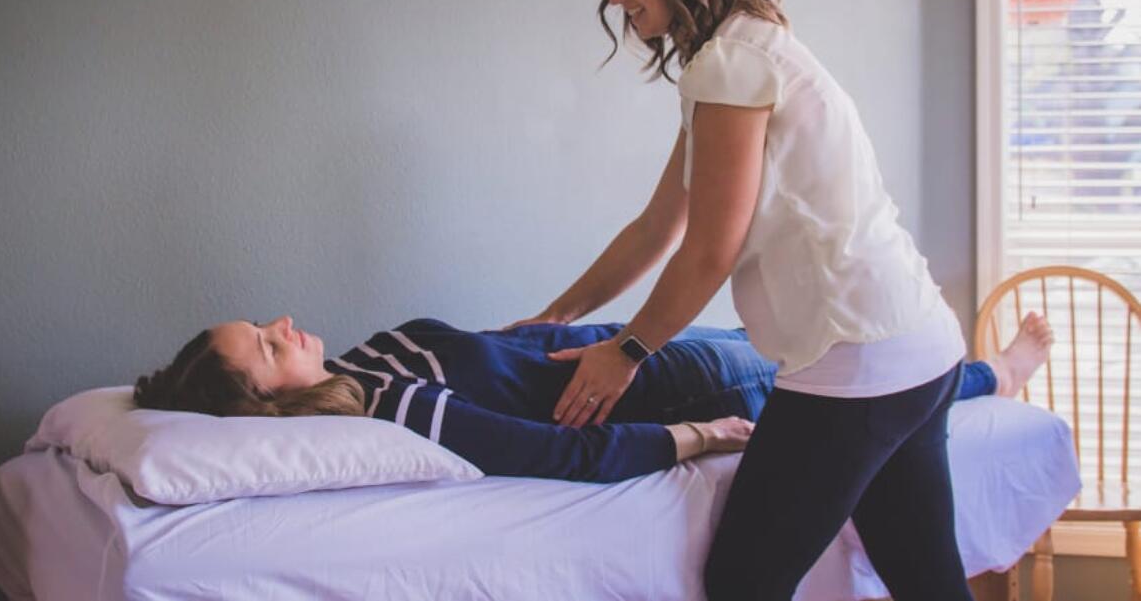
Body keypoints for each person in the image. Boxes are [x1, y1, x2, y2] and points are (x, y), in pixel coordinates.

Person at [499, 0, 1041, 600]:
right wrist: (556, 315)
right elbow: (658, 225)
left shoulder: (730, 64)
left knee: (743, 583)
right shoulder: (738, 54)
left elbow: (709, 250)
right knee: (927, 582)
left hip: (856, 364)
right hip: (916, 345)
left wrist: (627, 351)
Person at [132, 312, 1052, 485]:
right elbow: (563, 453)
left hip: (632, 345)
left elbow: (491, 356)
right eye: (263, 343)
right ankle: (991, 376)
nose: (282, 322)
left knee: (856, 355)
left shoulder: (367, 362)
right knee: (869, 384)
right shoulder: (396, 412)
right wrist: (694, 437)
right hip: (676, 386)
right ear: (264, 403)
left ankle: (974, 368)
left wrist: (537, 326)